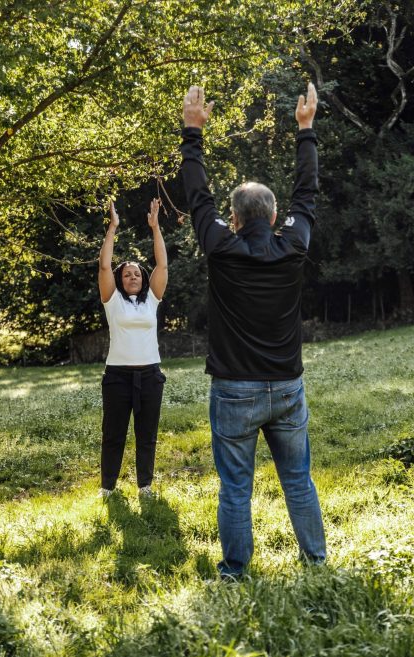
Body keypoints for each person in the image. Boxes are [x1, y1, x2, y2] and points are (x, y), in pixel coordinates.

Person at [179, 83, 326, 579]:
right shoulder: (294, 246)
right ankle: (315, 562)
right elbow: (307, 196)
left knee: (236, 487)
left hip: (235, 389)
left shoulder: (222, 248)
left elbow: (197, 197)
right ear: (274, 214)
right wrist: (305, 131)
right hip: (286, 385)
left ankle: (236, 572)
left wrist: (192, 133)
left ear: (236, 218)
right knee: (298, 481)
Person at [97, 198, 169, 498]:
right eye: (127, 274)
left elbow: (162, 264)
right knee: (113, 435)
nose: (133, 277)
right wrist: (112, 227)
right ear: (119, 279)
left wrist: (155, 227)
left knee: (146, 435)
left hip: (150, 376)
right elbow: (103, 264)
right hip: (117, 377)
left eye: (137, 273)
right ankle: (108, 488)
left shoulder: (151, 300)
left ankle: (145, 486)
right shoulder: (112, 301)